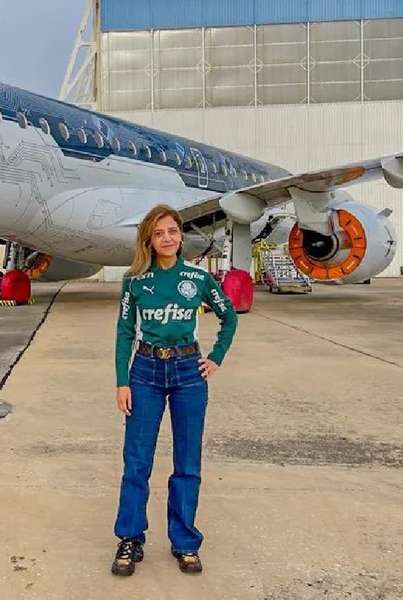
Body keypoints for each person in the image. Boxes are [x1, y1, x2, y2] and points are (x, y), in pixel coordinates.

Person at [111, 204, 238, 577]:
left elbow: (228, 316)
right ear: (148, 240)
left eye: (172, 231)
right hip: (145, 373)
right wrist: (122, 380)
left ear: (180, 236)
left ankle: (184, 541)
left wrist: (215, 358)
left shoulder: (197, 279)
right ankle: (130, 537)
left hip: (188, 373)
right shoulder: (134, 282)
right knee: (137, 460)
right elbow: (123, 332)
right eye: (159, 233)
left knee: (187, 461)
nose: (167, 238)